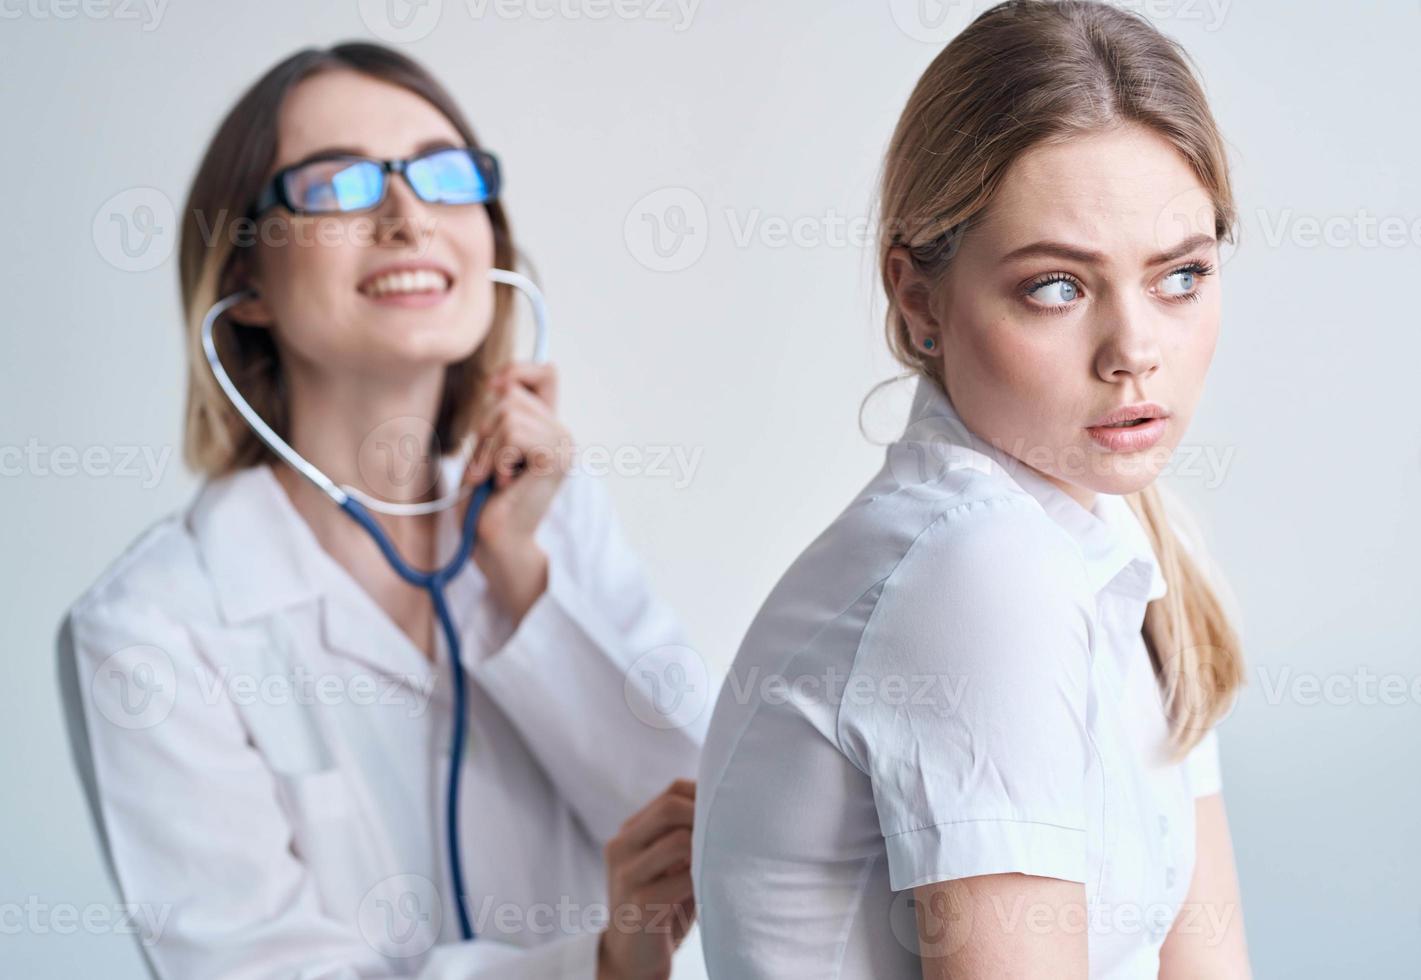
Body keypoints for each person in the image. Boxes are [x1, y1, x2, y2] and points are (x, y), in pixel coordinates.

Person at [58, 41, 703, 980]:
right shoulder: (152, 627)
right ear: (243, 286)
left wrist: (523, 584)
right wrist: (596, 965)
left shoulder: (552, 518)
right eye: (338, 187)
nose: (408, 216)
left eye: (444, 175)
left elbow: (711, 825)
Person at [692, 2, 1252, 977]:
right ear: (918, 299)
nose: (1134, 353)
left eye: (1179, 276)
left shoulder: (1121, 537)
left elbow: (1207, 962)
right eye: (1056, 286)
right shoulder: (976, 563)